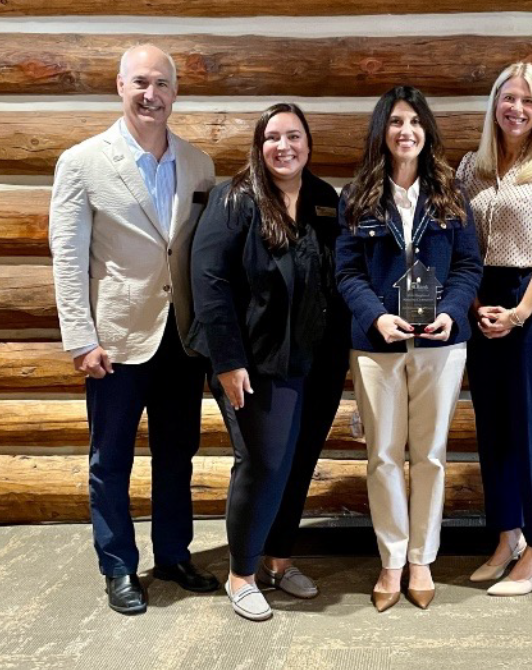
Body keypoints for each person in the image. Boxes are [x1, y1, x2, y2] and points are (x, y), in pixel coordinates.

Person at [48, 44, 218, 615]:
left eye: (163, 84)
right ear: (120, 86)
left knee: (178, 454)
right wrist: (80, 339)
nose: (152, 95)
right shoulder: (82, 161)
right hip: (114, 340)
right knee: (110, 459)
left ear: (176, 92)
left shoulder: (198, 164)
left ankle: (172, 554)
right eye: (141, 82)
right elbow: (67, 257)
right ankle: (119, 565)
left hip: (182, 338)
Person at [189, 103, 347, 621]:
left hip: (316, 359)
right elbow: (209, 282)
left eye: (294, 136)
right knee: (264, 463)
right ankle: (241, 573)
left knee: (299, 461)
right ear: (259, 145)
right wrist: (228, 362)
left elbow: (339, 277)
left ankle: (279, 561)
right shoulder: (234, 199)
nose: (284, 147)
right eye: (273, 137)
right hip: (254, 362)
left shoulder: (325, 199)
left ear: (308, 143)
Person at [336, 86, 483, 612]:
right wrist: (376, 315)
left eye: (416, 122)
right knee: (382, 456)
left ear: (427, 131)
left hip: (440, 345)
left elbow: (468, 267)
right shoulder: (356, 198)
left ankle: (421, 557)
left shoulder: (451, 194)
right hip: (377, 348)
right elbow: (347, 272)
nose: (407, 132)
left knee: (430, 456)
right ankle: (391, 559)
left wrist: (452, 310)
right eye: (397, 122)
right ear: (383, 131)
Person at [457, 62, 532, 597]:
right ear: (495, 104)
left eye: (528, 101)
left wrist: (519, 312)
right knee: (496, 429)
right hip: (483, 303)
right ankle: (507, 537)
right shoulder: (471, 167)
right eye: (508, 98)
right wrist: (481, 305)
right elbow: (461, 244)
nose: (516, 109)